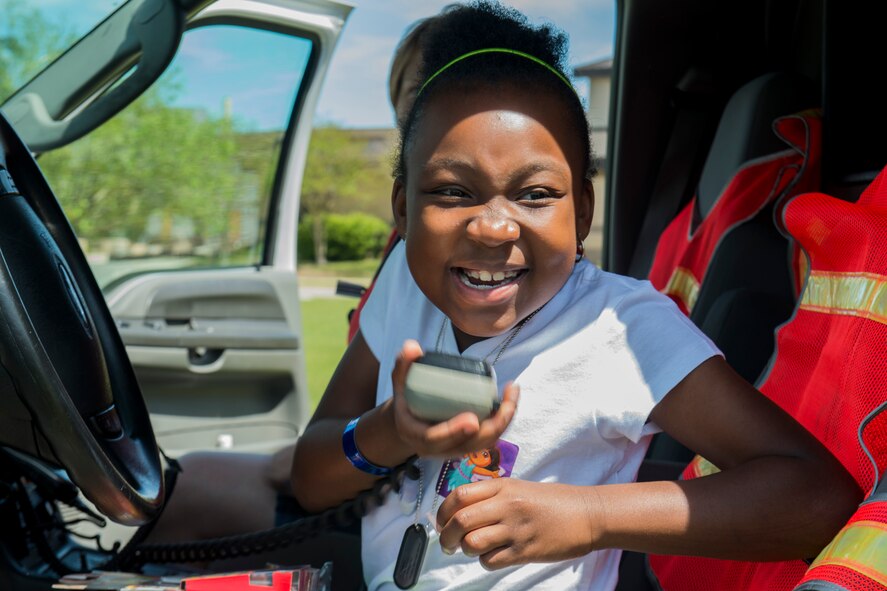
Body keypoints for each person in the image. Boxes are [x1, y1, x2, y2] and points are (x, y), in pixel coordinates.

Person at [290, 2, 860, 590]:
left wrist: (587, 516)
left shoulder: (621, 327)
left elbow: (816, 496)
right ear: (403, 207)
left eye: (535, 194)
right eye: (452, 191)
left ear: (581, 211)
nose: (494, 227)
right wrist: (393, 431)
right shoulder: (402, 288)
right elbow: (310, 479)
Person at [142, 6, 454, 544]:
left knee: (185, 493)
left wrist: (318, 459)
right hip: (364, 465)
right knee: (184, 480)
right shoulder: (402, 244)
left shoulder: (459, 258)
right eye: (414, 91)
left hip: (405, 495)